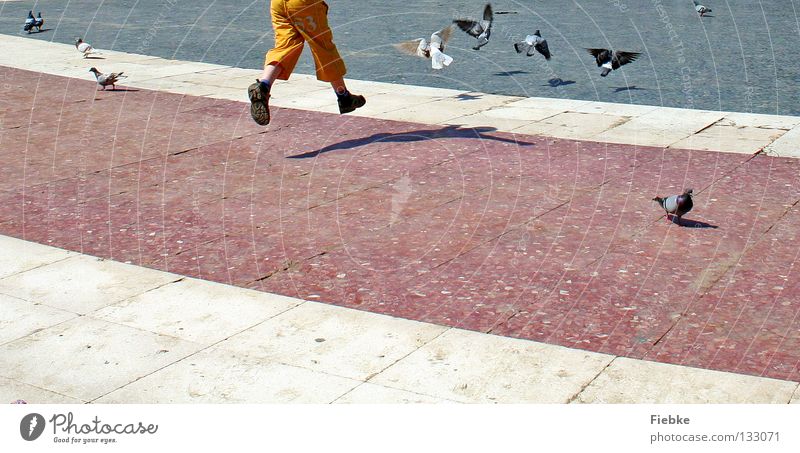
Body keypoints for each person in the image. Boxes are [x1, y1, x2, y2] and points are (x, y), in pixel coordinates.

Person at [249, 0, 366, 125]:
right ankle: (343, 96)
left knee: (285, 47)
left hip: (278, 4)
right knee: (323, 47)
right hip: (304, 4)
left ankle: (264, 86)